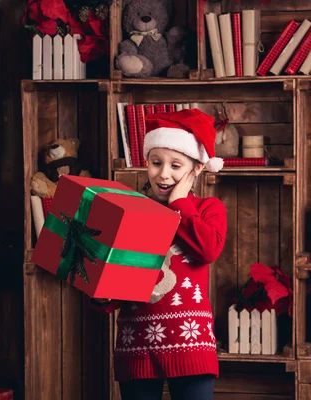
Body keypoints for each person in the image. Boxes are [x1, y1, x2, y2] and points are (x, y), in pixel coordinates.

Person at [93, 108, 228, 400]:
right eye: (156, 163)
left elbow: (207, 250)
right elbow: (123, 279)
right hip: (137, 345)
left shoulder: (208, 210)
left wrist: (179, 203)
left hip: (190, 344)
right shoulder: (132, 211)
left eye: (175, 166)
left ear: (197, 169)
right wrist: (104, 294)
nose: (163, 174)